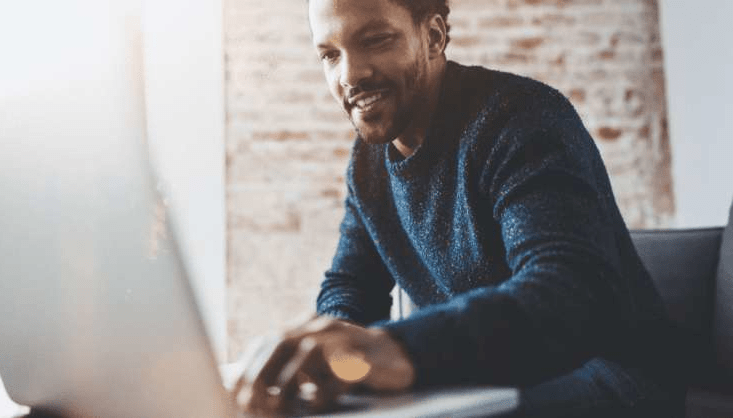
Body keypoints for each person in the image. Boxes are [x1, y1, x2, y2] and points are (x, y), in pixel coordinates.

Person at [232, 0, 688, 416]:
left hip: (615, 376)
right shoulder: (368, 162)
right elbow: (350, 285)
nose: (350, 75)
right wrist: (333, 356)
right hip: (485, 378)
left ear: (433, 37)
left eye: (375, 40)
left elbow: (568, 294)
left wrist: (398, 350)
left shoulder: (522, 117)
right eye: (329, 55)